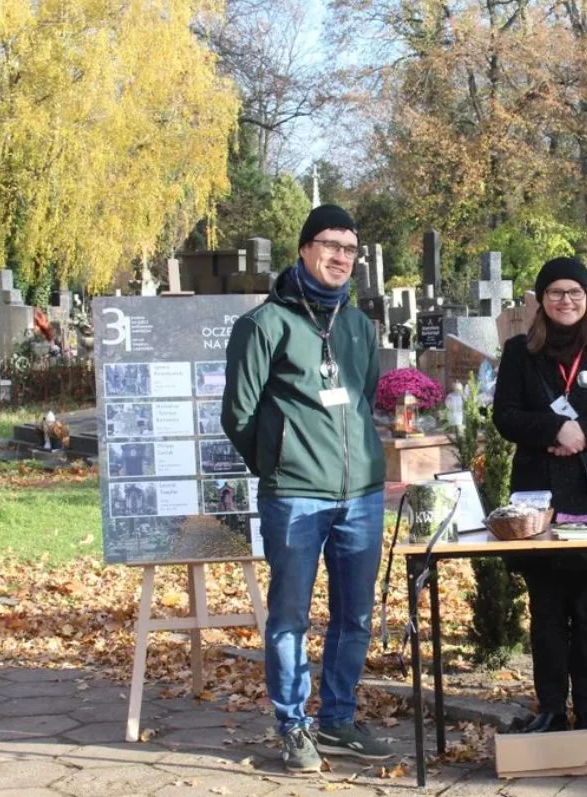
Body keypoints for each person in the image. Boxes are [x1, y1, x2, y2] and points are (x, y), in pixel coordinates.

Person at [222, 205, 389, 774]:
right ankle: (293, 725)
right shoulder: (264, 325)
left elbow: (362, 398)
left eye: (350, 249)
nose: (341, 257)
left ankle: (338, 719)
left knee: (355, 615)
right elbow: (238, 415)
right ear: (304, 248)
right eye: (330, 245)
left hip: (362, 495)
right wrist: (281, 464)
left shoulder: (360, 326)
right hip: (294, 494)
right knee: (290, 615)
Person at [492, 257, 587, 742]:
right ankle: (552, 707)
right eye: (556, 292)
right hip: (538, 497)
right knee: (547, 608)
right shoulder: (521, 351)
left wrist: (585, 432)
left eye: (575, 293)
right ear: (542, 299)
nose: (566, 301)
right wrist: (556, 429)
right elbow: (506, 416)